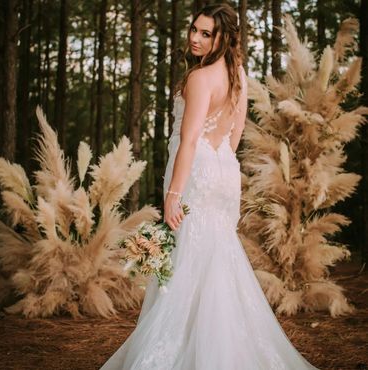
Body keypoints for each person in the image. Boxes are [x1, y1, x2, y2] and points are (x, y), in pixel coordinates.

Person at [100, 3, 319, 369]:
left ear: (224, 37)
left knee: (188, 256)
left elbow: (187, 140)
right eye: (194, 30)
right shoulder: (238, 75)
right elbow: (235, 133)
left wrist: (173, 194)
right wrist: (217, 161)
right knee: (216, 256)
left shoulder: (199, 79)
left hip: (195, 170)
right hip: (221, 169)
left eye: (206, 33)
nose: (196, 39)